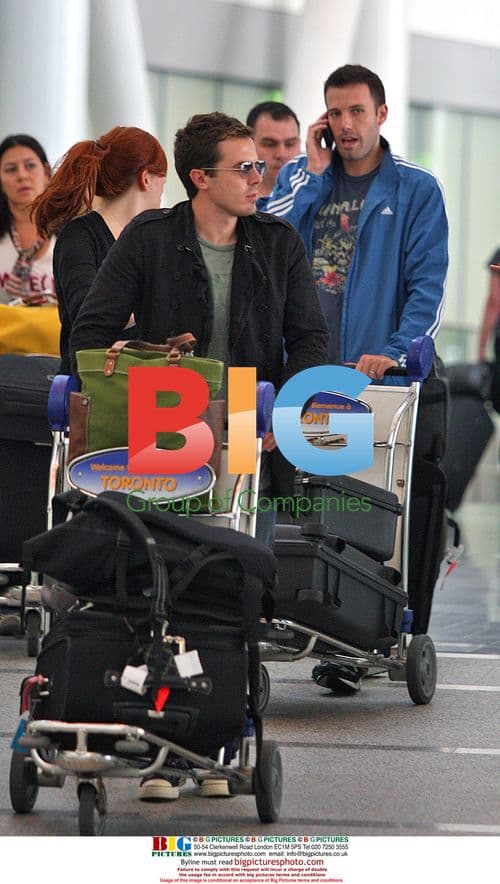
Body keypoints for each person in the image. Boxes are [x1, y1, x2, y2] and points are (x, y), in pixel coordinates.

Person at [70, 112, 328, 795]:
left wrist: (286, 410)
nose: (258, 177)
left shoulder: (278, 242)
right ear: (199, 179)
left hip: (246, 421)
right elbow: (91, 333)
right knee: (164, 585)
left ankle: (217, 743)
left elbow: (309, 342)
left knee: (234, 590)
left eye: (259, 166)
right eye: (244, 167)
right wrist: (133, 359)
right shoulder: (150, 239)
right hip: (166, 429)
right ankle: (168, 742)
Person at [261, 65, 448, 381]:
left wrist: (395, 354)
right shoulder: (300, 175)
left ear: (381, 114)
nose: (345, 124)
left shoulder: (418, 188)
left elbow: (427, 290)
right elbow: (264, 241)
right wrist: (312, 176)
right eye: (335, 113)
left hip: (374, 376)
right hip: (297, 373)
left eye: (357, 111)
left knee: (359, 434)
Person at [33, 126, 168, 373]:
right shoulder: (79, 237)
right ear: (146, 178)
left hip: (149, 381)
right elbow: (89, 317)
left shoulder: (153, 240)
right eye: (163, 182)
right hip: (101, 386)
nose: (161, 194)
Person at [0, 134, 55, 305]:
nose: (22, 176)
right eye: (11, 169)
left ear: (46, 174)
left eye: (30, 166)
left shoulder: (74, 231)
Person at [246, 101, 301, 198]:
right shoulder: (231, 204)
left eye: (290, 144)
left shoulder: (316, 198)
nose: (281, 154)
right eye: (270, 144)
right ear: (249, 143)